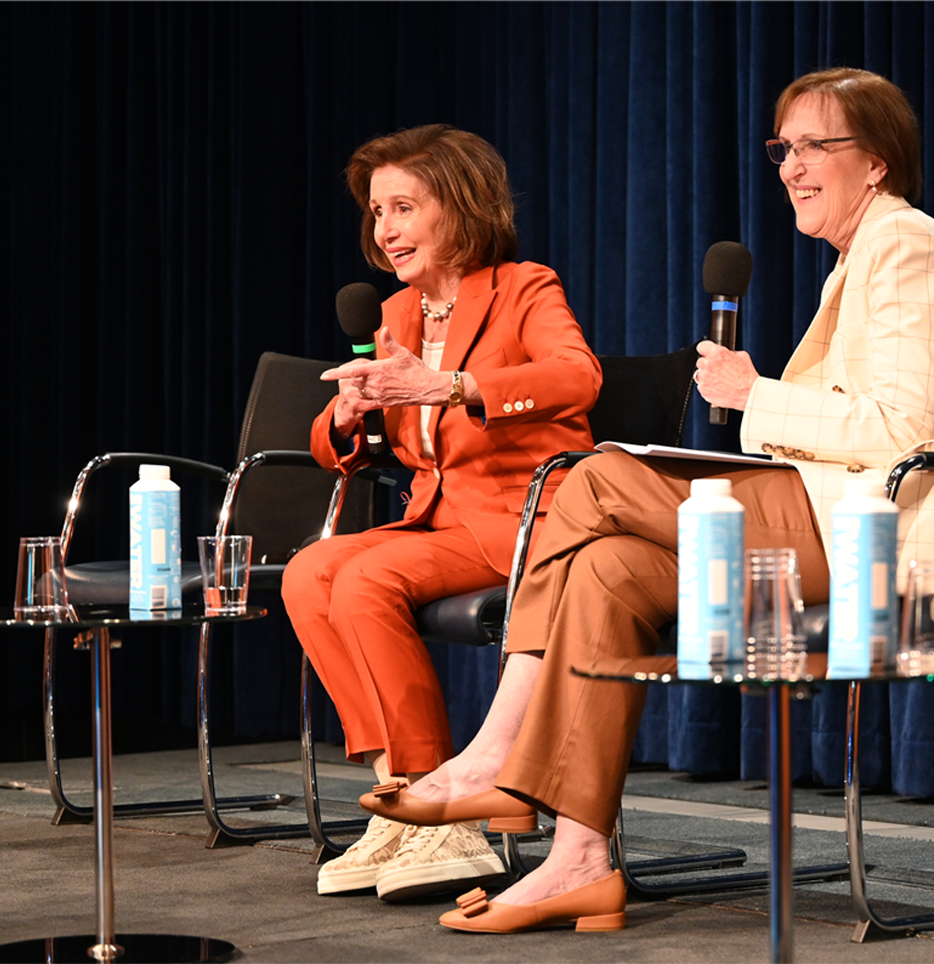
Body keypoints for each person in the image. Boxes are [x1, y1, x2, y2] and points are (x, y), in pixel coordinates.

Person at [360, 68, 934, 933]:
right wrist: (764, 408)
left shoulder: (906, 246)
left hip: (895, 535)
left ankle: (493, 754)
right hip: (834, 513)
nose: (791, 166)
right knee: (605, 568)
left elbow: (899, 430)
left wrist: (755, 393)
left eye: (817, 145)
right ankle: (578, 858)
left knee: (589, 477)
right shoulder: (860, 258)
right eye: (783, 147)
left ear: (879, 164)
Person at [281, 124, 601, 901]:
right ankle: (400, 798)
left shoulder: (524, 287)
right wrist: (352, 413)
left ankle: (439, 808)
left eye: (402, 207)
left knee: (365, 581)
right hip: (437, 517)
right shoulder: (395, 314)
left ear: (458, 207)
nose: (385, 229)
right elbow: (341, 446)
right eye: (376, 211)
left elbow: (577, 378)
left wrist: (454, 387)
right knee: (309, 571)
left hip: (522, 521)